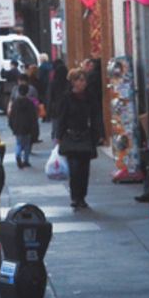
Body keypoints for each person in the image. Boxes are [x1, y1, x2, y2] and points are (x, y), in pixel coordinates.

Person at [52, 69, 104, 210]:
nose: (82, 83)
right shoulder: (66, 98)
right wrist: (58, 136)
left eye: (84, 80)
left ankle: (82, 197)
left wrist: (97, 134)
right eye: (79, 80)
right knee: (74, 169)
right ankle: (75, 197)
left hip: (85, 136)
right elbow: (61, 118)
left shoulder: (90, 97)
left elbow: (96, 116)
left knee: (84, 169)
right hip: (70, 136)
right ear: (73, 82)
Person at [9, 83, 39, 168]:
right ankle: (26, 160)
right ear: (27, 92)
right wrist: (34, 127)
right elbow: (33, 116)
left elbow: (11, 116)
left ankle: (18, 155)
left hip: (17, 127)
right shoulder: (30, 103)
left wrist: (12, 125)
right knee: (27, 144)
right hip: (27, 127)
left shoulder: (15, 103)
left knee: (18, 143)